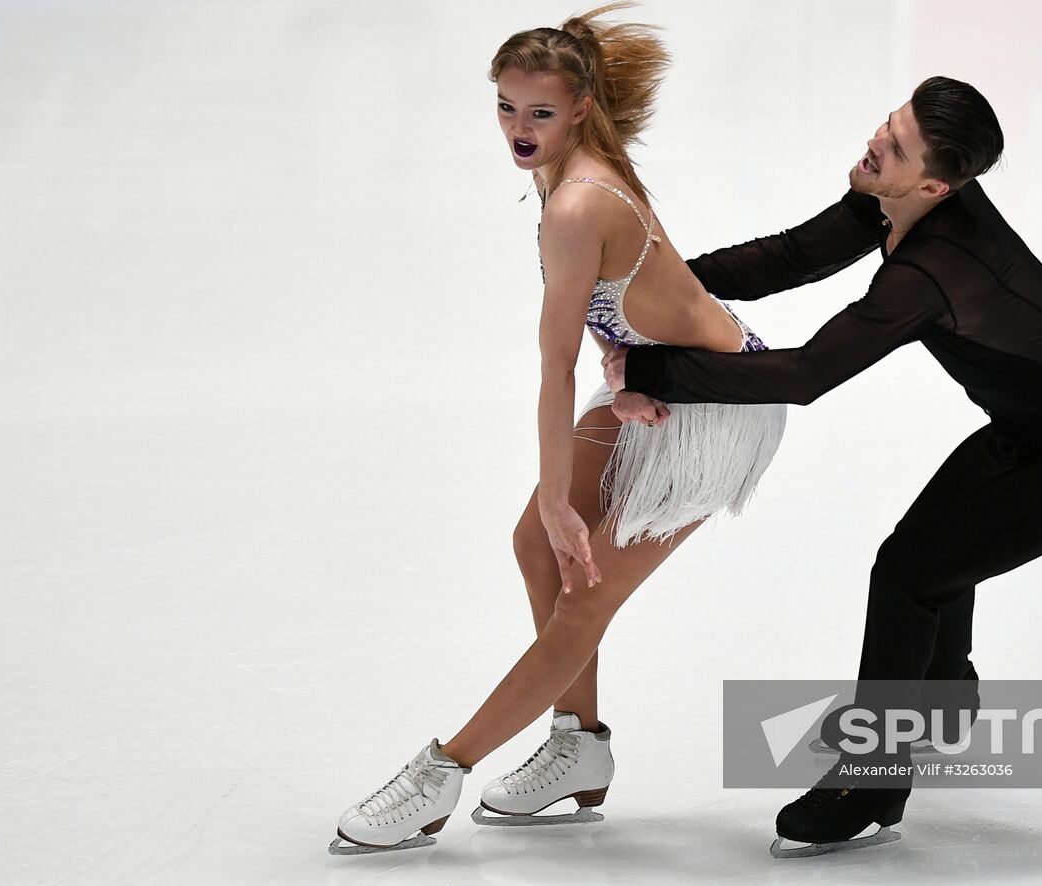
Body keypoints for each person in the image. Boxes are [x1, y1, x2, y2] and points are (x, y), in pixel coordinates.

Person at [603, 75, 1042, 857]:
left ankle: (872, 778)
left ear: (935, 183)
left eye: (898, 144)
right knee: (928, 563)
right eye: (889, 122)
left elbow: (808, 374)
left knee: (911, 571)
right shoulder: (896, 196)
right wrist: (660, 289)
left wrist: (656, 375)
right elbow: (796, 255)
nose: (876, 141)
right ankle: (944, 702)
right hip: (1033, 428)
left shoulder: (930, 272)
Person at [329, 3, 788, 855]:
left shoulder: (578, 201)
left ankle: (440, 772)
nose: (518, 129)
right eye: (505, 106)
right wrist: (627, 373)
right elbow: (624, 312)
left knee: (581, 586)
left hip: (722, 404)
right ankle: (580, 746)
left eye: (539, 112)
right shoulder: (565, 172)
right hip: (665, 381)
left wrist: (560, 491)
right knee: (537, 545)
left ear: (580, 108)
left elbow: (554, 368)